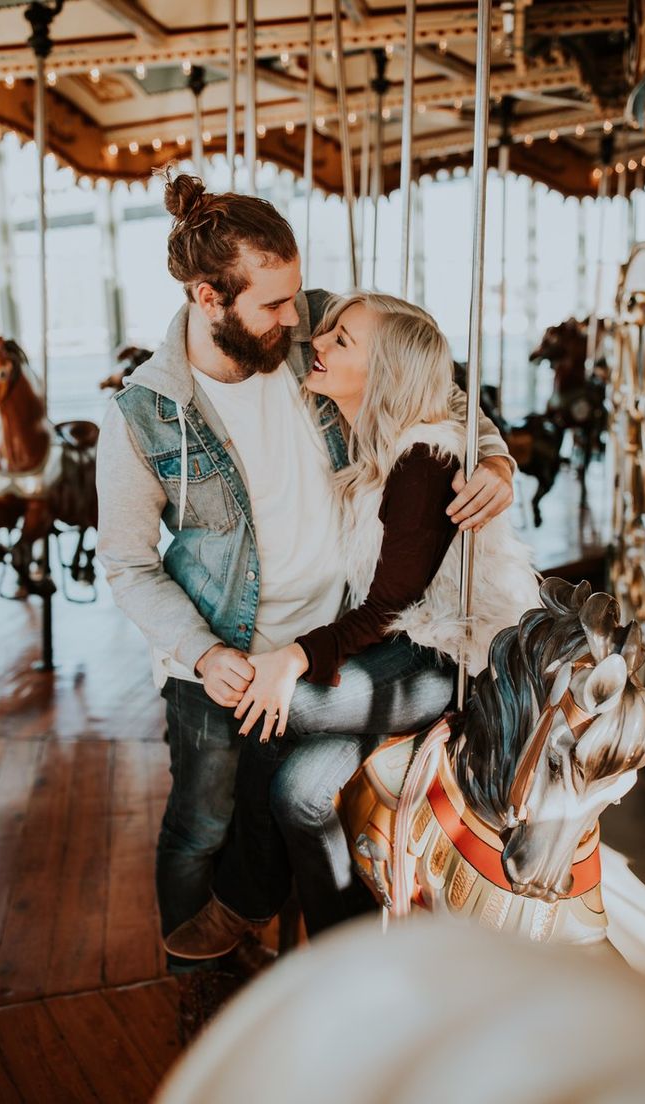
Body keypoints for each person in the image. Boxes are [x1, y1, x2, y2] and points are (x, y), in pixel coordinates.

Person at [96, 169, 517, 966]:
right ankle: (199, 979)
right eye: (276, 306)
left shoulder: (309, 335)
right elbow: (125, 564)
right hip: (222, 654)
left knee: (291, 787)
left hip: (348, 632)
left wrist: (493, 458)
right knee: (200, 825)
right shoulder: (144, 415)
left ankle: (330, 963)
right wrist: (203, 652)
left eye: (298, 300)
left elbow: (433, 388)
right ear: (208, 298)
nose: (299, 322)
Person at [162, 293, 540, 961]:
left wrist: (295, 660)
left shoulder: (426, 458)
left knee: (272, 706)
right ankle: (351, 955)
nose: (321, 343)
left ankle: (244, 902)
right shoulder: (374, 441)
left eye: (343, 341)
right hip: (396, 644)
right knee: (299, 792)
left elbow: (391, 604)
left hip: (441, 655)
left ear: (388, 370)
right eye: (328, 331)